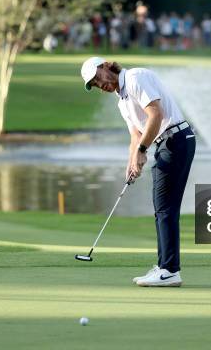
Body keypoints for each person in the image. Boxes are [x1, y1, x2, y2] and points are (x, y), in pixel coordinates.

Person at [80, 57, 196, 287]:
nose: (98, 85)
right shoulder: (121, 99)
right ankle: (165, 266)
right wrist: (132, 160)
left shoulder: (134, 77)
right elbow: (135, 134)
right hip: (168, 142)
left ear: (105, 66)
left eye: (97, 77)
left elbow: (156, 115)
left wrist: (143, 150)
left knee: (165, 208)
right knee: (163, 207)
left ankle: (169, 270)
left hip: (176, 139)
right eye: (93, 84)